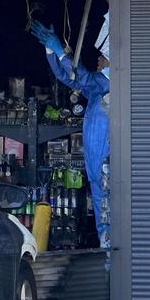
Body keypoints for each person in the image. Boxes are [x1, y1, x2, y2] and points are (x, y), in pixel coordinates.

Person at [31, 16, 110, 252]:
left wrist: (62, 52)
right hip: (97, 167)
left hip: (107, 165)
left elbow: (83, 77)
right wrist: (51, 50)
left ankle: (114, 258)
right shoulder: (97, 90)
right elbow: (69, 78)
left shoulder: (108, 84)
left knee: (109, 209)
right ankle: (107, 251)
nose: (98, 59)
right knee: (102, 210)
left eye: (103, 57)